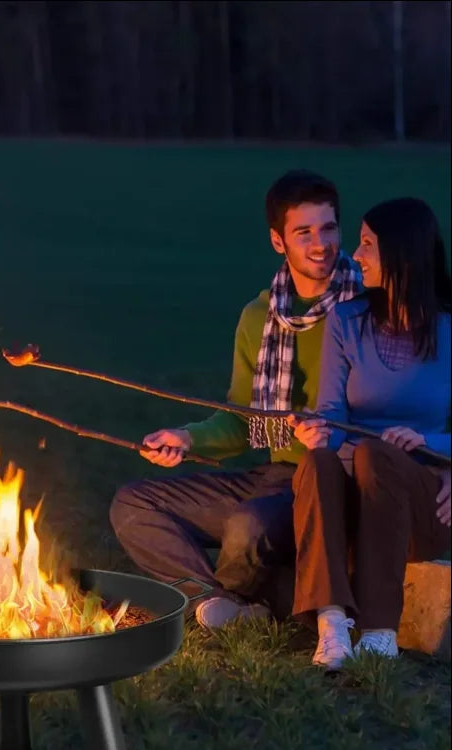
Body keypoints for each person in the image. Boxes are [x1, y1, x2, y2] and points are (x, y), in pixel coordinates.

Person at [110, 170, 363, 629]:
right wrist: (185, 438)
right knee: (133, 505)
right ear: (277, 241)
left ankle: (239, 600)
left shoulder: (367, 306)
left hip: (331, 481)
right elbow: (241, 421)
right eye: (303, 232)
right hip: (274, 477)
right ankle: (214, 601)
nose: (320, 244)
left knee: (249, 527)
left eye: (329, 228)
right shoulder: (258, 317)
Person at [286, 197, 451, 670]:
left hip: (420, 501)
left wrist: (430, 444)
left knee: (376, 455)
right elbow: (332, 410)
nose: (354, 256)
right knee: (317, 461)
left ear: (402, 254)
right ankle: (332, 625)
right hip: (354, 492)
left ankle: (379, 632)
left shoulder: (449, 330)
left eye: (367, 245)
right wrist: (319, 433)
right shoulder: (346, 320)